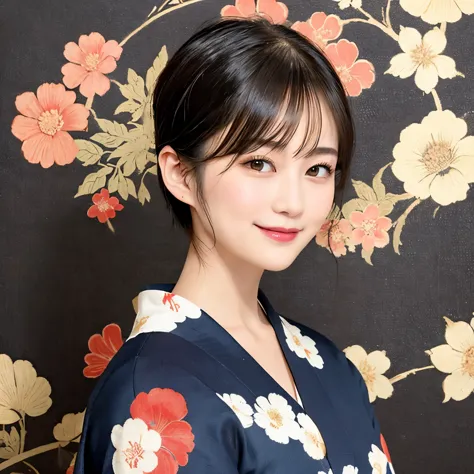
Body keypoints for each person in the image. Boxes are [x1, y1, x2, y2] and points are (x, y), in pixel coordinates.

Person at [75, 16, 395, 474]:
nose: (293, 202)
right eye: (259, 162)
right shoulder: (151, 397)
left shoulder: (328, 362)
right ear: (182, 173)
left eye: (318, 169)